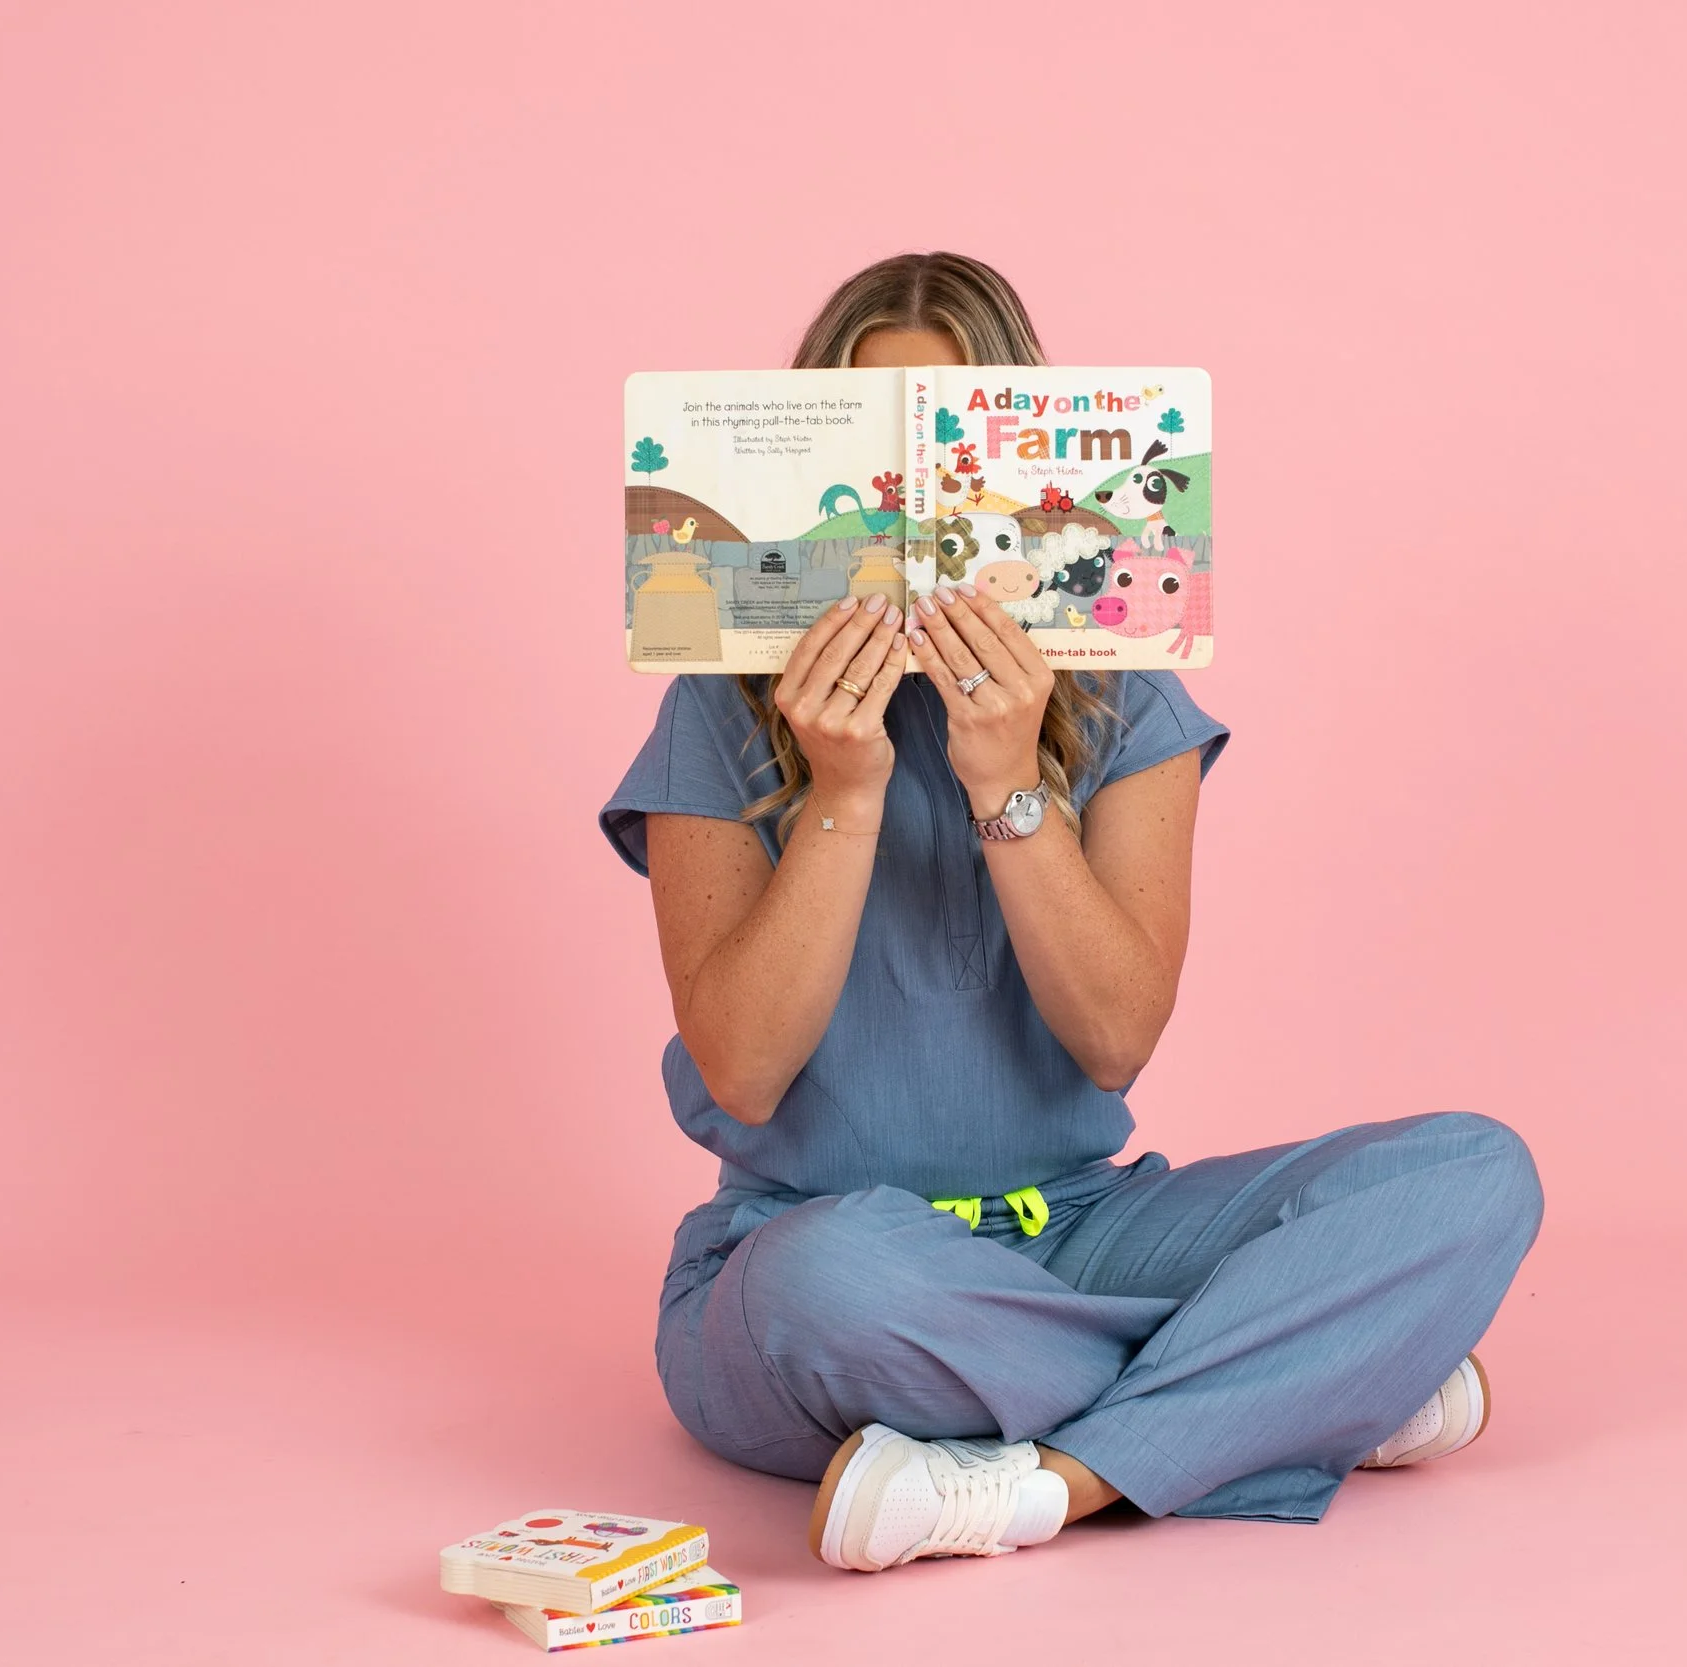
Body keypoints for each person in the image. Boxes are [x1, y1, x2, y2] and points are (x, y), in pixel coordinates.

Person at [599, 251, 1543, 1574]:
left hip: (1075, 1234)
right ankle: (1302, 1384)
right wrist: (846, 787)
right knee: (838, 1276)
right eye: (872, 452)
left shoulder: (1123, 693)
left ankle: (1053, 1483)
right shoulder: (718, 699)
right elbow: (743, 1071)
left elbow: (1114, 1037)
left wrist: (1003, 777)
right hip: (813, 1258)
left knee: (1470, 1169)